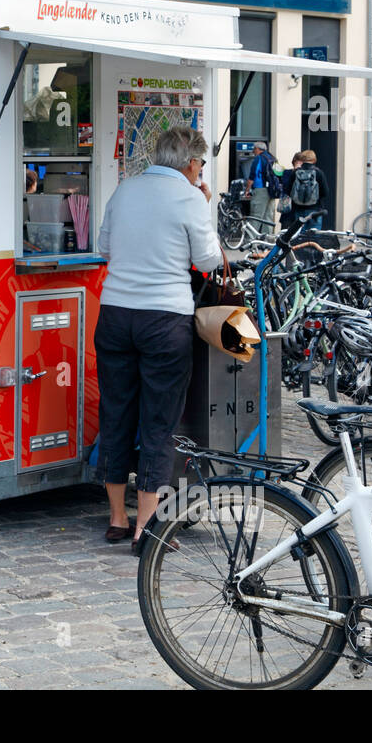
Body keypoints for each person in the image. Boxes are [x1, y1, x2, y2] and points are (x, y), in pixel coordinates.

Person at [95, 127, 224, 554]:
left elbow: (104, 247)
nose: (200, 170)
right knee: (159, 421)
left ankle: (116, 517)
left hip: (114, 315)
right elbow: (207, 260)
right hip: (165, 319)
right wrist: (202, 206)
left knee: (116, 412)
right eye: (201, 163)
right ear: (191, 162)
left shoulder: (125, 189)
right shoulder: (190, 197)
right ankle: (145, 527)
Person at [289, 149, 331, 231]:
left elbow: (288, 190)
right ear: (314, 159)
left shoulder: (295, 173)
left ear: (302, 159)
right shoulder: (319, 173)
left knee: (299, 235)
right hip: (315, 210)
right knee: (313, 236)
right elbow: (325, 192)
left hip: (298, 209)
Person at [243, 141, 277, 233]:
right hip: (272, 190)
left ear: (258, 149)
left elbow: (252, 176)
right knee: (268, 216)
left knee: (256, 216)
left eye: (254, 149)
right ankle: (266, 241)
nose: (253, 151)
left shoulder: (258, 159)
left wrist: (247, 190)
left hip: (260, 190)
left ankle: (251, 240)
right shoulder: (272, 158)